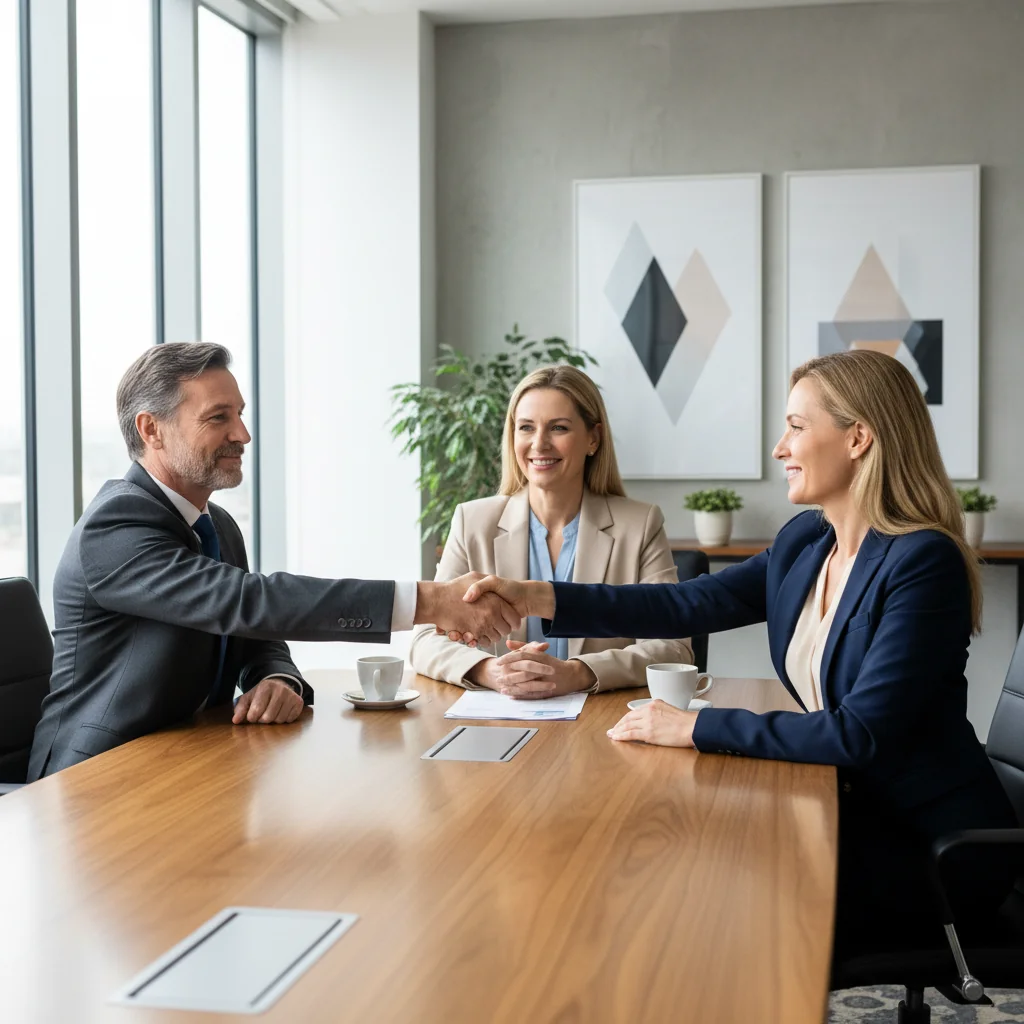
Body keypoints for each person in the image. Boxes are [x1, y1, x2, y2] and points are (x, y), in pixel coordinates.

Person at [459, 349, 1018, 953]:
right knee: (678, 857)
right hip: (850, 809)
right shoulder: (808, 541)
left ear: (858, 437)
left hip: (925, 845)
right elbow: (684, 605)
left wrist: (693, 727)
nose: (780, 448)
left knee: (701, 898)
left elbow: (860, 735)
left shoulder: (921, 561)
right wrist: (534, 594)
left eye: (796, 428)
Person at [28, 343, 520, 779]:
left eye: (240, 414)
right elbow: (243, 600)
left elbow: (254, 634)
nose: (241, 433)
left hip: (189, 763)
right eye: (218, 417)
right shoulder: (114, 526)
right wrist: (430, 600)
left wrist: (276, 677)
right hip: (97, 779)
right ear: (151, 429)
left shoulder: (215, 525)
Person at [410, 365, 692, 697]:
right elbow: (425, 639)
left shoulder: (640, 524)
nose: (539, 444)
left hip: (600, 723)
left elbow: (673, 646)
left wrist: (578, 673)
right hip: (499, 718)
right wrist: (489, 670)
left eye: (558, 428)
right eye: (526, 427)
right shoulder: (472, 521)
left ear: (593, 438)